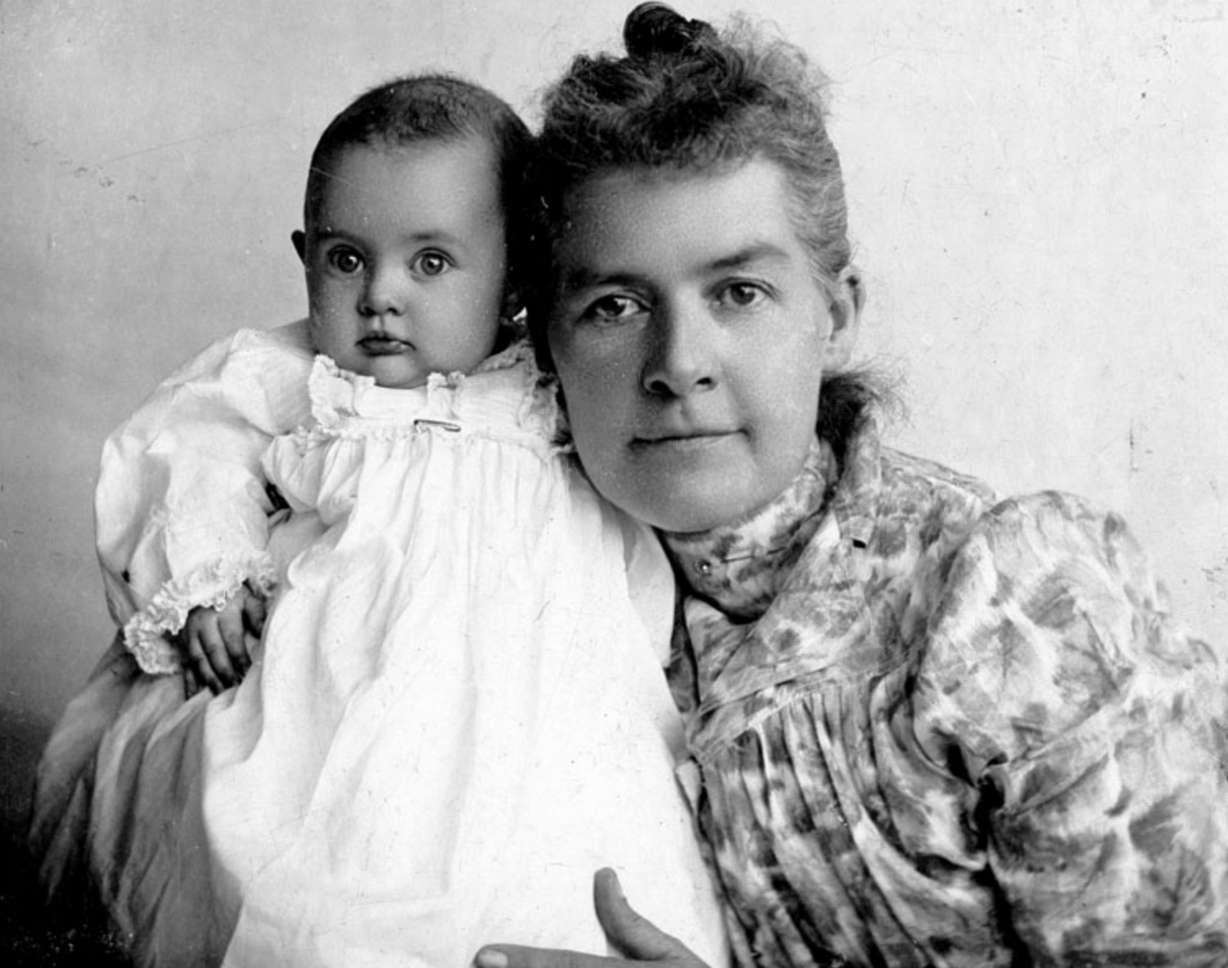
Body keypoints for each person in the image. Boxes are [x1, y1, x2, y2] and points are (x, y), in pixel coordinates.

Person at [473, 4, 1228, 966]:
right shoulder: (517, 592)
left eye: (739, 292)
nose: (677, 362)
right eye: (614, 305)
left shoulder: (1014, 602)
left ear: (835, 311)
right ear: (546, 345)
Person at [29, 74, 728, 968]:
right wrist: (208, 575)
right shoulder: (303, 377)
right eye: (346, 258)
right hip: (333, 695)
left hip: (542, 715)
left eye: (430, 263)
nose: (380, 296)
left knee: (573, 886)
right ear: (304, 254)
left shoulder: (557, 391)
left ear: (517, 272)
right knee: (297, 888)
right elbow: (187, 440)